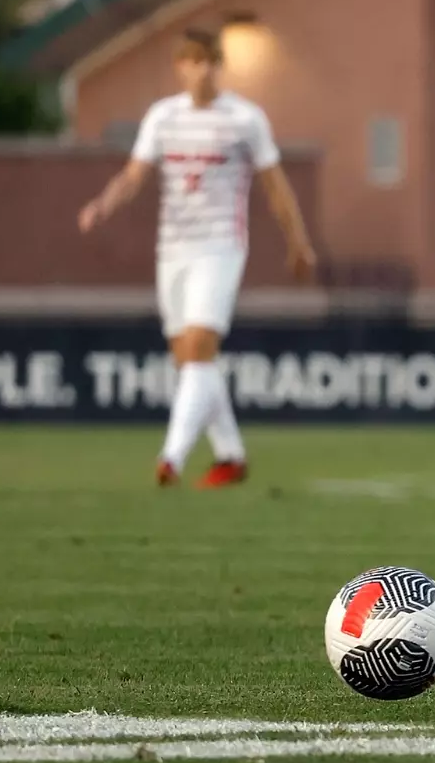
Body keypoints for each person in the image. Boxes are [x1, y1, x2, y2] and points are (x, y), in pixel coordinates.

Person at [78, 27, 316, 488]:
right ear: (180, 67)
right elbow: (134, 175)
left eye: (210, 60)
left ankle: (171, 458)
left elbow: (275, 185)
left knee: (200, 346)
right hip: (173, 250)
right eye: (193, 60)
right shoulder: (163, 117)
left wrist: (298, 241)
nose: (203, 69)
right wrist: (102, 205)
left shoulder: (245, 119)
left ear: (219, 66)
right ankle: (231, 456)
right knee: (189, 361)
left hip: (221, 246)